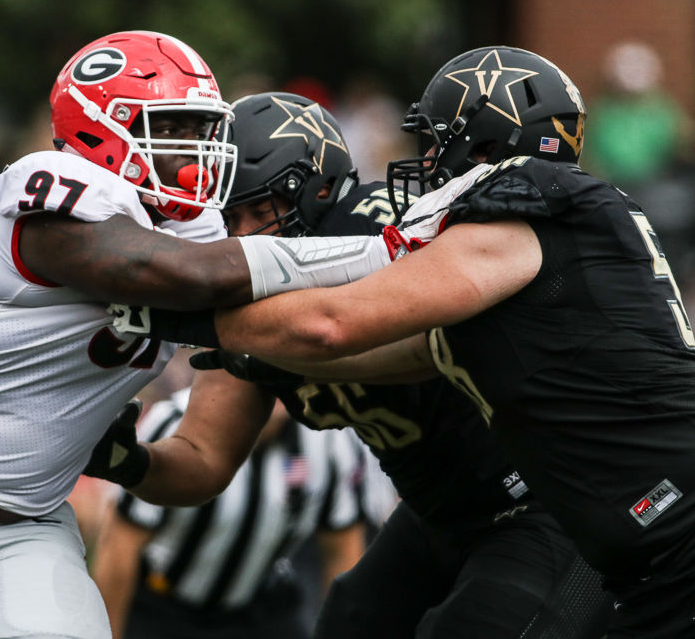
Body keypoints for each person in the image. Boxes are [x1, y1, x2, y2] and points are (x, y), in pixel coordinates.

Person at [0, 31, 432, 639]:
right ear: (99, 132)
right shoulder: (58, 192)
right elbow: (171, 272)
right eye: (171, 128)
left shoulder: (200, 230)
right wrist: (386, 250)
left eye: (202, 129)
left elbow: (243, 381)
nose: (194, 150)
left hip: (22, 528)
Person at [113, 47, 695, 638]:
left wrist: (176, 315)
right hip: (453, 516)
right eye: (223, 219)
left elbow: (329, 327)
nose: (426, 164)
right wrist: (128, 460)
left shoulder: (450, 225)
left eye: (256, 210)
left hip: (548, 508)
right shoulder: (507, 231)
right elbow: (210, 455)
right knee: (350, 622)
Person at [92, 390, 367, 639]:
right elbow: (119, 548)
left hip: (257, 606)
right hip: (163, 605)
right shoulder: (172, 422)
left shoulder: (330, 443)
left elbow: (343, 552)